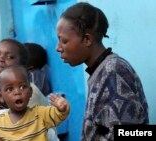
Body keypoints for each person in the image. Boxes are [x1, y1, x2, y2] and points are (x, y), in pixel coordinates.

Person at [56, 2, 149, 140]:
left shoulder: (114, 71)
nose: (58, 48)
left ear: (87, 39)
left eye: (64, 41)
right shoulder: (102, 71)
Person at [0, 39, 59, 141]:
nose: (0, 59)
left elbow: (29, 133)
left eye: (10, 57)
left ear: (22, 67)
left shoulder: (29, 92)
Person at [0, 65, 70, 140]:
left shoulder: (40, 113)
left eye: (22, 87)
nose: (18, 92)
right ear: (1, 97)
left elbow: (58, 116)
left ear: (30, 92)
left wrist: (62, 108)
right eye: (10, 89)